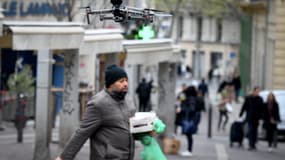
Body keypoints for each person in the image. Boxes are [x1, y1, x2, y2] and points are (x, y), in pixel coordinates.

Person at [55, 64, 136, 160]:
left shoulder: (128, 100)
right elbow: (82, 133)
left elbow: (131, 129)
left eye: (126, 80)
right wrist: (64, 157)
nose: (125, 84)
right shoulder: (98, 103)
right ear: (111, 84)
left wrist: (147, 131)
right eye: (121, 81)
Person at [180, 86, 198, 157]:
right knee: (188, 135)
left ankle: (189, 151)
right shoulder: (191, 98)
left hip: (189, 119)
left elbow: (191, 109)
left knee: (189, 135)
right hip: (190, 119)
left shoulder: (191, 99)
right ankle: (188, 150)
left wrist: (183, 109)